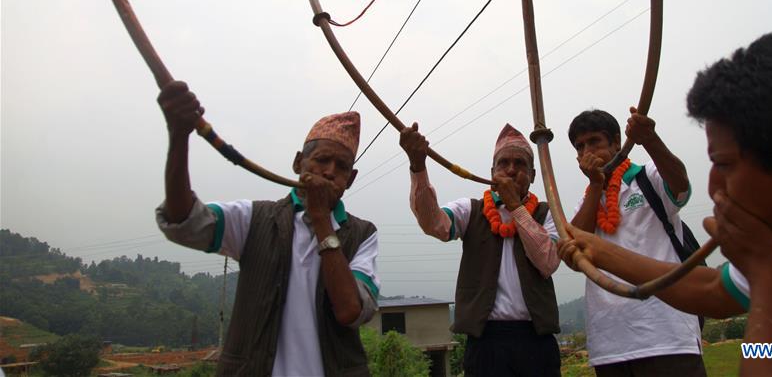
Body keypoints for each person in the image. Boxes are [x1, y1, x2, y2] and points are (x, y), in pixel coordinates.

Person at [559, 30, 772, 376]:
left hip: (666, 340)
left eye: (724, 164)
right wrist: (599, 252)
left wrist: (764, 276)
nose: (713, 187)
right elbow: (709, 289)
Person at [155, 81, 379, 377]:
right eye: (321, 160)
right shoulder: (254, 218)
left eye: (342, 167)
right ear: (298, 163)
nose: (329, 172)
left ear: (351, 179)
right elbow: (183, 221)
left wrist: (322, 219)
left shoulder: (363, 234)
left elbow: (351, 311)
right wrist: (179, 135)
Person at [400, 122, 562, 376]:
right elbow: (433, 224)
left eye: (519, 164)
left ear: (532, 174)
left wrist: (515, 207)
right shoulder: (470, 209)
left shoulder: (548, 212)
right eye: (503, 163)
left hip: (536, 340)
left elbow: (548, 261)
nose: (511, 170)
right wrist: (418, 167)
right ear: (492, 172)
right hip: (485, 342)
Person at [567, 107, 705, 376]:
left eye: (594, 141)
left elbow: (681, 187)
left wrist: (650, 139)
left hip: (668, 336)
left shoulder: (648, 176)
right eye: (580, 147)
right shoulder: (586, 201)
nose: (587, 152)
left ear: (617, 143)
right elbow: (575, 254)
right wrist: (596, 185)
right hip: (610, 345)